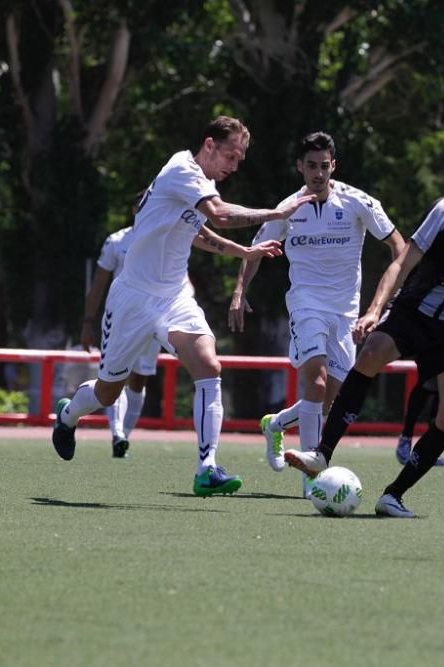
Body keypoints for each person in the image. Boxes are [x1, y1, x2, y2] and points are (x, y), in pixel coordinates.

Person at [51, 115, 309, 496]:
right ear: (208, 145)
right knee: (109, 392)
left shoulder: (200, 184)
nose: (235, 166)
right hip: (133, 298)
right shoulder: (181, 168)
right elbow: (219, 216)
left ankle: (207, 468)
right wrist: (277, 213)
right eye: (231, 156)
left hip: (173, 297)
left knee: (209, 364)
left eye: (240, 159)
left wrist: (242, 251)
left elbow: (197, 230)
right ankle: (68, 415)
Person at [282, 139, 444, 518]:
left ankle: (393, 495)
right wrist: (375, 310)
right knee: (372, 354)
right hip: (418, 311)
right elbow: (401, 263)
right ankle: (321, 454)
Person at [227, 131, 405, 494]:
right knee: (317, 381)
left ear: (333, 166)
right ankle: (312, 476)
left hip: (346, 313)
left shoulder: (358, 202)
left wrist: (393, 296)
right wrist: (239, 291)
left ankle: (276, 424)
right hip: (306, 303)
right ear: (300, 167)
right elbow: (257, 248)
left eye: (324, 166)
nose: (318, 173)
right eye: (311, 166)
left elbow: (397, 244)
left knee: (329, 398)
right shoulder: (288, 207)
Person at [80, 196, 194, 458]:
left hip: (153, 316)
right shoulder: (116, 240)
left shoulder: (167, 238)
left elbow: (181, 277)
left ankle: (123, 438)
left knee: (139, 379)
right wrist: (87, 322)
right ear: (134, 210)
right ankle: (117, 432)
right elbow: (98, 283)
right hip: (121, 315)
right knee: (115, 377)